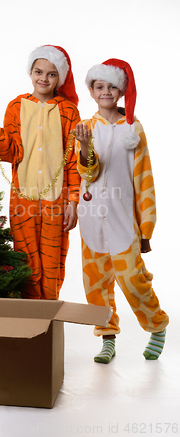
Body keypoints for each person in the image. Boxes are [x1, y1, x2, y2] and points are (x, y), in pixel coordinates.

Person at [75, 58, 169, 363]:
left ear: (121, 91)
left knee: (132, 278)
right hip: (91, 220)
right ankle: (107, 338)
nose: (105, 92)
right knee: (96, 286)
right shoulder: (85, 128)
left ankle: (157, 325)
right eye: (99, 86)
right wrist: (84, 147)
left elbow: (145, 179)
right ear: (91, 90)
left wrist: (147, 227)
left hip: (122, 220)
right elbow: (88, 174)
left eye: (111, 87)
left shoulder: (134, 129)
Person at [0, 45, 81, 300]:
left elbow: (73, 161)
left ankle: (47, 322)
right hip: (23, 198)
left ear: (60, 78)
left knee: (53, 263)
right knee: (25, 262)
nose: (43, 79)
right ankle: (28, 321)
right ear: (31, 72)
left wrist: (73, 202)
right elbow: (9, 153)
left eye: (51, 74)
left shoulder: (69, 112)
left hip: (56, 201)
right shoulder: (16, 107)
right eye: (38, 71)